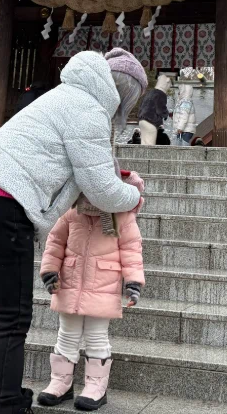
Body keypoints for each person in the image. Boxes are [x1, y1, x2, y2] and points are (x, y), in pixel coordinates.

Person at [0, 48, 147, 414]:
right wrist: (134, 194)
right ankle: (5, 405)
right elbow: (101, 188)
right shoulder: (88, 111)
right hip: (3, 203)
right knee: (12, 318)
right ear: (123, 94)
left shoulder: (65, 95)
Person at [38, 169, 145, 411]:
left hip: (102, 285)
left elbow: (131, 251)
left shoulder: (122, 216)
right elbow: (55, 242)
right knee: (66, 334)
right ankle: (60, 383)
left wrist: (133, 282)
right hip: (69, 282)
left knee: (97, 336)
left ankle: (96, 386)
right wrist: (49, 270)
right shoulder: (71, 212)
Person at [137, 74, 171, 145]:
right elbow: (160, 108)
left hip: (142, 120)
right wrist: (166, 114)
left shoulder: (149, 93)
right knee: (150, 143)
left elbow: (141, 105)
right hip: (151, 121)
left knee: (144, 142)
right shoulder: (161, 94)